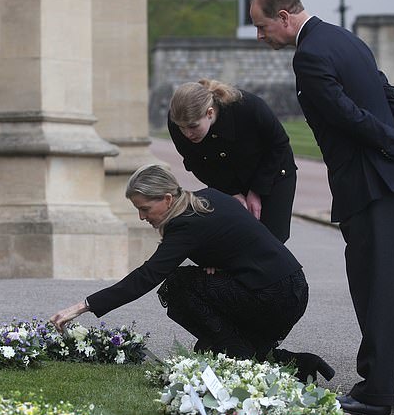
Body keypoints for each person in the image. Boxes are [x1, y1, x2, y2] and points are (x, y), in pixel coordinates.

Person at [248, 0, 394, 415]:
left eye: (261, 27)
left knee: (378, 287)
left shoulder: (309, 55)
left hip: (370, 184)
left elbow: (344, 115)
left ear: (283, 16)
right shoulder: (346, 38)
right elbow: (389, 93)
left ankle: (375, 396)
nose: (260, 36)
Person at [49, 164, 333, 382]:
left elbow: (146, 277)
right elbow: (239, 241)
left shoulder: (185, 226)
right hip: (288, 287)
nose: (142, 217)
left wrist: (82, 307)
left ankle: (240, 353)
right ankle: (297, 363)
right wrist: (218, 260)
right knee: (205, 322)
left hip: (275, 296)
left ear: (167, 199)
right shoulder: (206, 198)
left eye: (145, 208)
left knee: (178, 285)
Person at [168, 79, 297, 243]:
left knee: (271, 239)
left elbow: (278, 144)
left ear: (209, 113)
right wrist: (231, 191)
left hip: (272, 172)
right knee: (233, 236)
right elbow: (197, 163)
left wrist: (257, 190)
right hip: (225, 178)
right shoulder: (177, 122)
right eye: (182, 127)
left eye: (193, 126)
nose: (187, 134)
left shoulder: (248, 107)